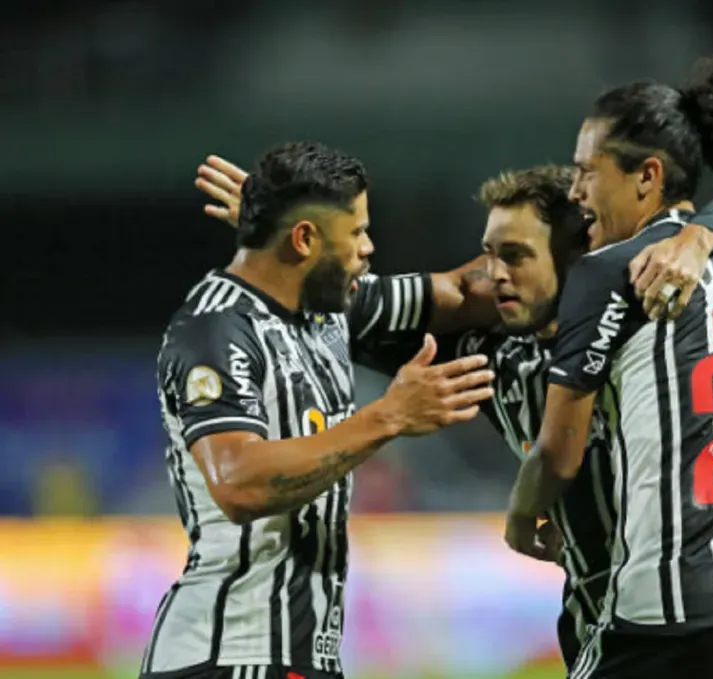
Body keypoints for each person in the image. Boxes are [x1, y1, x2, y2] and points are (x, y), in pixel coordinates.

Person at [193, 157, 713, 671]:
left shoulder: (643, 314)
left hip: (675, 612)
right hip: (598, 624)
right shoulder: (487, 352)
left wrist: (700, 236)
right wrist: (293, 231)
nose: (493, 275)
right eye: (488, 256)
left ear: (581, 252)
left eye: (516, 256)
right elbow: (350, 303)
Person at [505, 51, 713, 679]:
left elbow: (557, 453)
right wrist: (704, 232)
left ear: (646, 175)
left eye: (587, 172)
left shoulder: (612, 272)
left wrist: (522, 517)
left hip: (677, 618)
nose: (573, 191)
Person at [142, 141, 501, 679]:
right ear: (305, 239)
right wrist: (389, 416)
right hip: (231, 655)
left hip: (298, 656)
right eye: (355, 232)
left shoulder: (329, 312)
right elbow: (240, 484)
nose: (369, 247)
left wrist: (581, 232)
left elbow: (464, 292)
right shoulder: (216, 328)